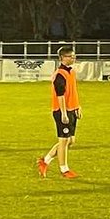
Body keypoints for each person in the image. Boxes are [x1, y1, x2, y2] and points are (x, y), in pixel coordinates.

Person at [37, 46, 82, 179]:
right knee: (63, 141)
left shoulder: (71, 72)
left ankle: (44, 161)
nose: (73, 58)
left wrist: (77, 106)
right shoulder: (59, 75)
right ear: (62, 58)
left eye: (74, 56)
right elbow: (60, 96)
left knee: (71, 141)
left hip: (72, 109)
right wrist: (63, 113)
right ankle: (64, 169)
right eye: (70, 56)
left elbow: (73, 91)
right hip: (62, 111)